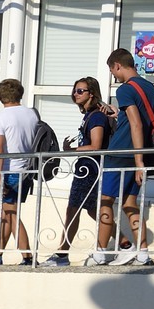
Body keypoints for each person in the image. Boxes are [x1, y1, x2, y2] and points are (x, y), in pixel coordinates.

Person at [89, 48, 154, 266]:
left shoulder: (125, 90)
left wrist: (138, 161)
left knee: (105, 201)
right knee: (130, 203)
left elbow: (136, 124)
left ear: (117, 65)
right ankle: (143, 253)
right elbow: (138, 120)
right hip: (140, 152)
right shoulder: (149, 87)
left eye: (112, 70)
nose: (113, 75)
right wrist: (117, 114)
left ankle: (100, 253)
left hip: (121, 152)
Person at [43, 77, 111, 267]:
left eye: (81, 91)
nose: (76, 94)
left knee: (73, 210)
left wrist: (70, 151)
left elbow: (96, 146)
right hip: (86, 168)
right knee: (90, 210)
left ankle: (62, 253)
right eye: (75, 90)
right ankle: (125, 242)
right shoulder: (89, 115)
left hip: (90, 169)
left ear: (92, 94)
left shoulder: (97, 116)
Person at [0, 78, 40, 266]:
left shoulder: (0, 118)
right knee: (7, 213)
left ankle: (28, 257)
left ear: (1, 97)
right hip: (27, 169)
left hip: (11, 170)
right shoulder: (32, 114)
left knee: (11, 214)